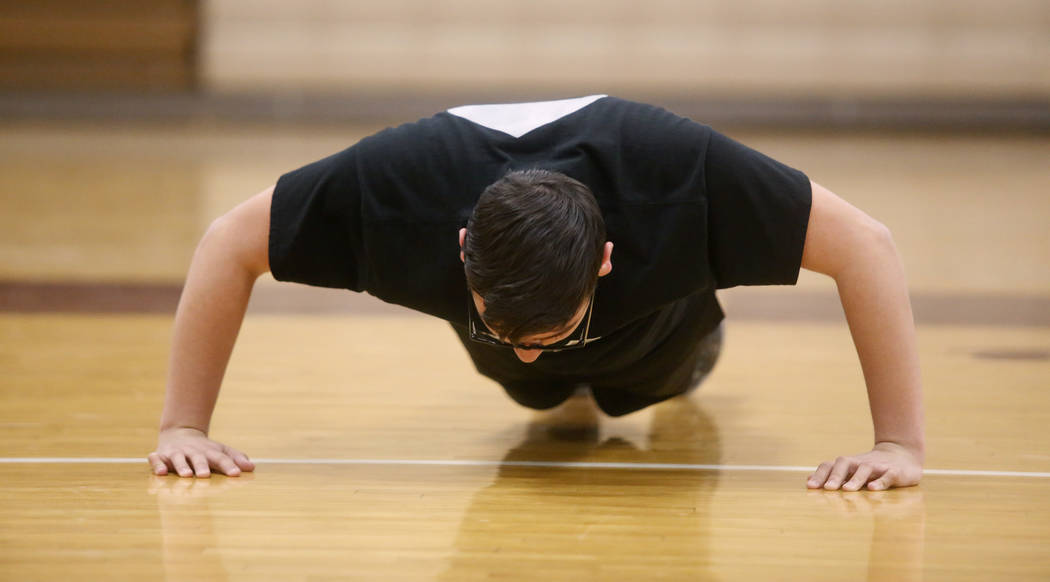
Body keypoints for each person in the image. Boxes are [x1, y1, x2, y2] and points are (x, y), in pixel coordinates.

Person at [147, 95, 924, 491]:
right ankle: (533, 365)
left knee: (645, 386)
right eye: (508, 322)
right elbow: (229, 244)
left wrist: (898, 446)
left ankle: (664, 346)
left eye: (548, 328)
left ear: (606, 263)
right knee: (532, 390)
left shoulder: (676, 174)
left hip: (663, 336)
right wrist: (183, 425)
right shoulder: (396, 188)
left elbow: (868, 245)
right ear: (459, 249)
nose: (526, 340)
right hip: (502, 360)